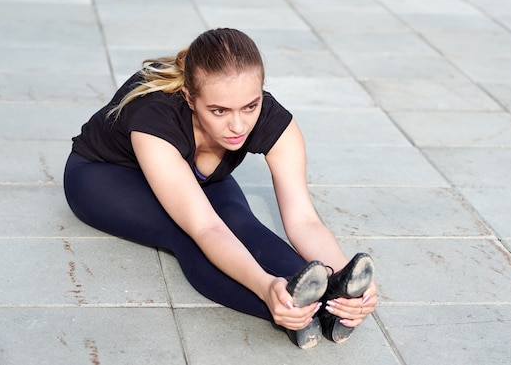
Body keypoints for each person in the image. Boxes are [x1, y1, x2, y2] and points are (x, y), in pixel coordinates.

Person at [63, 28, 377, 349]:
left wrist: (344, 280)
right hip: (104, 177)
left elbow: (304, 220)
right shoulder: (154, 117)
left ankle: (322, 300)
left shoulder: (270, 119)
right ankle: (289, 311)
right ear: (189, 97)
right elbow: (205, 227)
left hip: (194, 175)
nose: (238, 126)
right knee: (186, 235)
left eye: (250, 107)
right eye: (219, 111)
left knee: (242, 224)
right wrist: (265, 288)